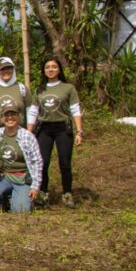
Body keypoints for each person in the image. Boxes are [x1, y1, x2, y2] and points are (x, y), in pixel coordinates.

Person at [27, 57, 84, 208]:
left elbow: (75, 110)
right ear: (44, 71)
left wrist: (79, 132)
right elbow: (33, 112)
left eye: (54, 67)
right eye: (47, 67)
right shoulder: (39, 90)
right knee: (42, 163)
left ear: (59, 69)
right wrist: (28, 133)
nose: (50, 70)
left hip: (63, 129)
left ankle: (67, 193)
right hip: (44, 129)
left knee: (64, 163)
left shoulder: (68, 88)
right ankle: (43, 193)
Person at [0, 107, 43, 213]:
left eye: (13, 115)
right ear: (1, 118)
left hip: (22, 179)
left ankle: (21, 198)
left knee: (20, 211)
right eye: (6, 115)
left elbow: (37, 162)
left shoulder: (28, 136)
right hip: (3, 178)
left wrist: (35, 186)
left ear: (19, 117)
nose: (10, 118)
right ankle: (3, 201)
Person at [0, 57, 29, 128]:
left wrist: (29, 131)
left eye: (8, 68)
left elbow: (30, 111)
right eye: (2, 69)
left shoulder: (22, 88)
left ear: (13, 69)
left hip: (19, 132)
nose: (6, 71)